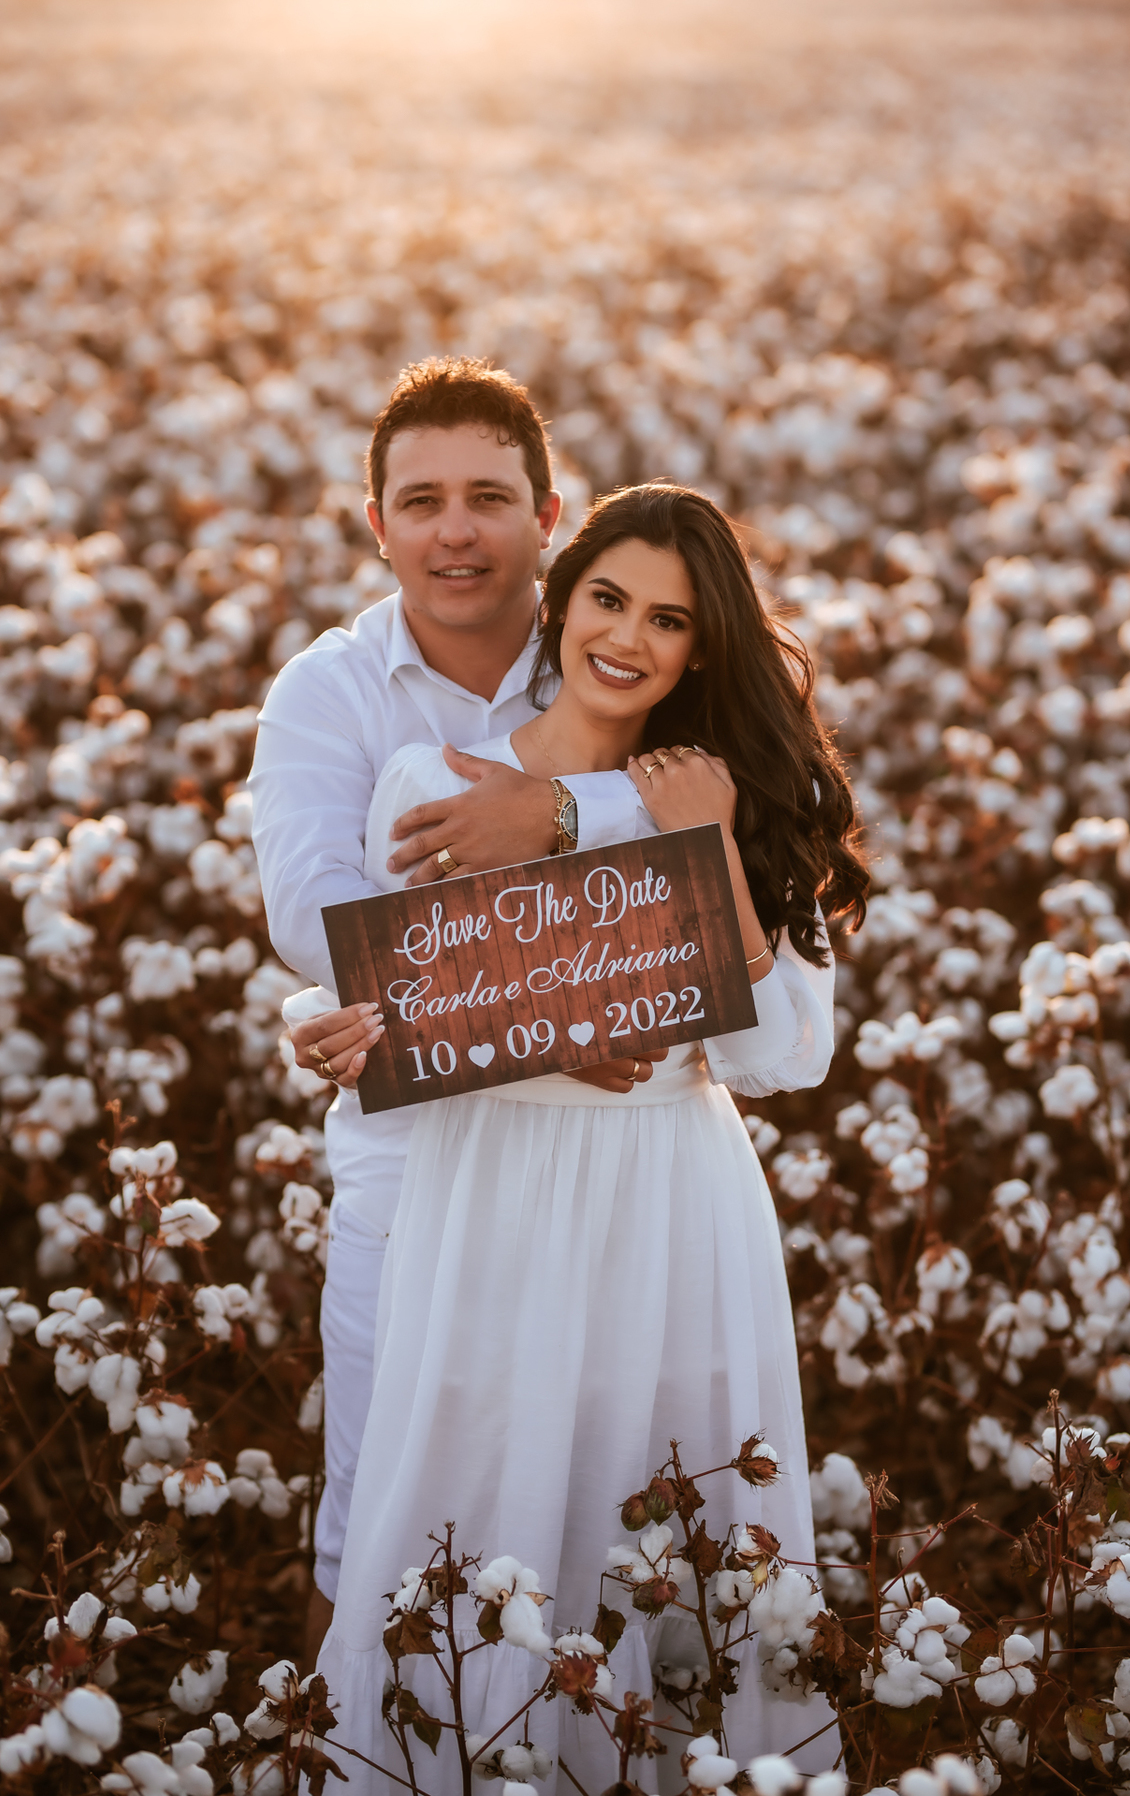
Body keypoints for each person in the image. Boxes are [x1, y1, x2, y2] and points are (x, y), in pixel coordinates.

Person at [308, 484, 868, 1790]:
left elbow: (782, 1053)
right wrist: (327, 1017)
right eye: (608, 598)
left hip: (674, 1192)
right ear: (562, 606)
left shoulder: (741, 805)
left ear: (702, 651)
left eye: (668, 619)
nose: (628, 635)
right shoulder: (433, 784)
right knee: (473, 1504)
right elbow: (398, 994)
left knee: (658, 1500)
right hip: (489, 1190)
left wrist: (706, 846)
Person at [249, 357, 660, 1662]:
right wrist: (547, 994)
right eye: (420, 499)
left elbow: (725, 827)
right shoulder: (327, 690)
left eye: (490, 495)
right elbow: (316, 916)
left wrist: (548, 809)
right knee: (373, 1499)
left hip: (599, 1150)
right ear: (376, 523)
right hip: (410, 1150)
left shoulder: (619, 649)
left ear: (552, 514)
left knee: (602, 1500)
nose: (455, 529)